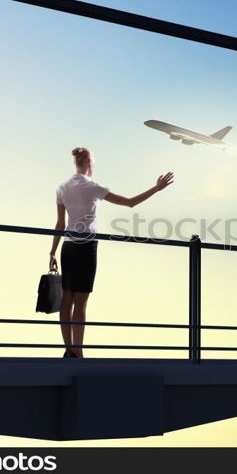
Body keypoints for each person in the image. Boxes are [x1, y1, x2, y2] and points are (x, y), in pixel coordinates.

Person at [49, 147, 174, 358]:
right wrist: (156, 188)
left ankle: (68, 349)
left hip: (68, 246)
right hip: (87, 247)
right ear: (89, 162)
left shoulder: (62, 188)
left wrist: (52, 251)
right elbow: (130, 202)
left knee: (66, 300)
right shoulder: (94, 187)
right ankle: (78, 352)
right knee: (80, 303)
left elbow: (60, 223)